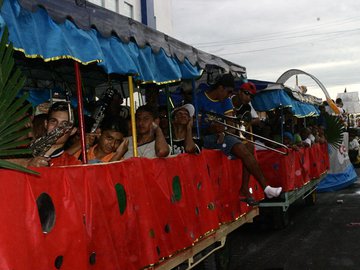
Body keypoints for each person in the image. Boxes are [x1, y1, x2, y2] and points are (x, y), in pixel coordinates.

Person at [196, 73, 282, 206]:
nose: (230, 95)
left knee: (249, 146)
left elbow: (231, 127)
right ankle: (266, 188)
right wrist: (211, 129)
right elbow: (194, 128)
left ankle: (245, 188)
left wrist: (224, 132)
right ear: (220, 88)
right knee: (241, 146)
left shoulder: (225, 101)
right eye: (229, 91)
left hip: (221, 137)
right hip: (205, 138)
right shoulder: (200, 99)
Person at [27, 101, 81, 167]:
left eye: (64, 124)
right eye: (53, 121)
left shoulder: (72, 164)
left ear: (73, 131)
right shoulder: (24, 151)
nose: (57, 127)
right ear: (46, 124)